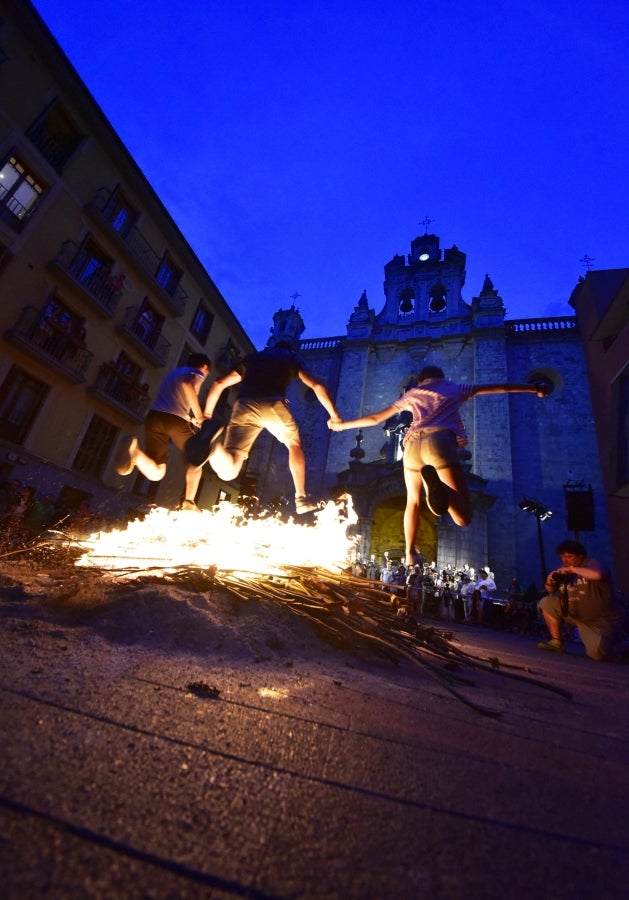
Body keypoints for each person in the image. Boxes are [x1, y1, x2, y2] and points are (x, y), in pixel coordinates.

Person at [328, 365, 550, 567]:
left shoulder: (412, 394)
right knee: (463, 517)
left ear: (421, 380)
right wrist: (533, 388)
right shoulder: (454, 388)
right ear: (440, 377)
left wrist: (342, 425)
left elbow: (376, 418)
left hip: (411, 446)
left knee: (413, 501)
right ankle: (439, 488)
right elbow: (498, 387)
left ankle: (409, 553)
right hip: (439, 442)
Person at [202, 342, 341, 515]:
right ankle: (301, 498)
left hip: (243, 405)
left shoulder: (254, 358)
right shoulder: (291, 357)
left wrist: (206, 416)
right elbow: (318, 386)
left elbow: (219, 383)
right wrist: (334, 415)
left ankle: (213, 445)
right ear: (289, 349)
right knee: (294, 444)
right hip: (272, 403)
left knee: (229, 471)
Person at [115, 352, 212, 511]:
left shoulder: (173, 373)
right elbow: (187, 386)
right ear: (204, 367)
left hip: (154, 418)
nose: (205, 375)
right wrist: (200, 417)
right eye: (207, 372)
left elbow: (172, 401)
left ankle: (136, 454)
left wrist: (190, 418)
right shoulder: (197, 372)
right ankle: (189, 502)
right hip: (175, 421)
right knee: (198, 458)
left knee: (157, 472)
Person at [538, 539, 622, 660]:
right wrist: (549, 582)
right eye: (562, 557)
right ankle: (557, 642)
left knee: (598, 654)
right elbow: (550, 591)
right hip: (577, 616)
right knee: (547, 602)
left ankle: (620, 648)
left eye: (569, 557)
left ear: (580, 556)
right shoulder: (565, 570)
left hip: (601, 622)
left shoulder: (592, 564)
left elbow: (598, 574)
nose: (565, 560)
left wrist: (573, 570)